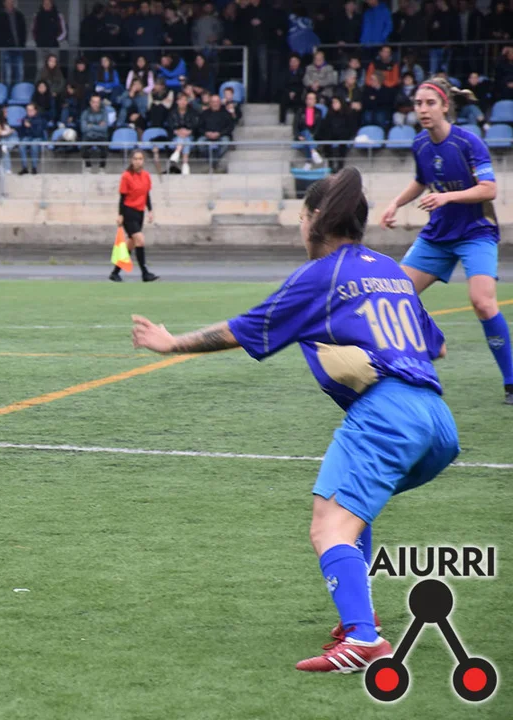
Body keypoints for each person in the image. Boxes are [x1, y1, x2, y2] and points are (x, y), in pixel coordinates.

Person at [131, 167, 459, 672]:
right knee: (352, 510)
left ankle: (365, 641)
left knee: (328, 526)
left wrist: (172, 343)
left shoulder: (320, 274)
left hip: (386, 414)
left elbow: (245, 329)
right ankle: (360, 618)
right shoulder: (388, 268)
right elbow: (436, 345)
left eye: (301, 218)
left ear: (316, 219)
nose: (300, 228)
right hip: (436, 419)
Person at [380, 78, 513, 405]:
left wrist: (447, 197)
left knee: (483, 303)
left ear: (445, 106)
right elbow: (421, 180)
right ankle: (424, 352)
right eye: (418, 104)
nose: (423, 109)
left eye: (429, 103)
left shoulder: (469, 142)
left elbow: (489, 189)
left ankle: (511, 381)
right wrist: (395, 203)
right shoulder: (420, 144)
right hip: (438, 236)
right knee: (394, 294)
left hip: (476, 232)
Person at [110, 150, 158, 283]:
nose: (138, 161)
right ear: (131, 160)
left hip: (139, 212)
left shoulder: (146, 176)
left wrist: (150, 210)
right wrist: (120, 214)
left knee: (131, 244)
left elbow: (146, 194)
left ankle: (115, 273)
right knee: (140, 240)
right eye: (135, 159)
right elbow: (122, 197)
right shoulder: (126, 176)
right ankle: (145, 273)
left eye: (140, 159)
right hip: (128, 211)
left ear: (143, 161)